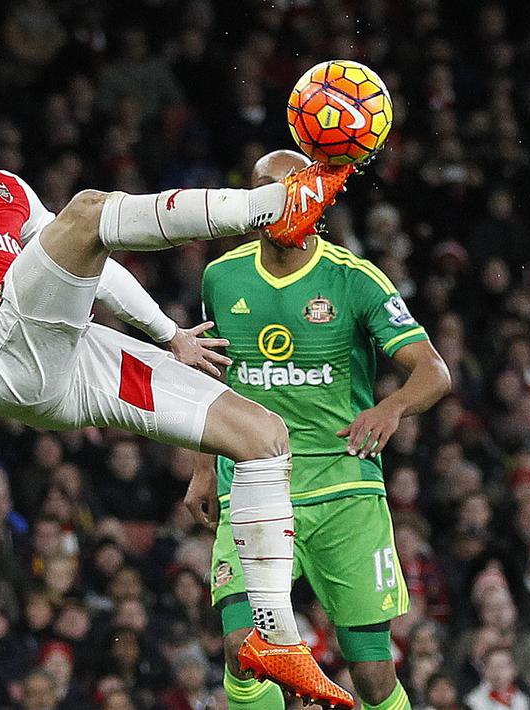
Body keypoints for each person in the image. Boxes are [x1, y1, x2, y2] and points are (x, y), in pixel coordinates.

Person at [0, 40, 353, 706]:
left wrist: (167, 335)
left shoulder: (6, 188)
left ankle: (271, 635)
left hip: (62, 353)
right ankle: (270, 206)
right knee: (85, 211)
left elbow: (93, 263)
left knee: (262, 435)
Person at [186, 150, 452, 710]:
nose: (277, 205)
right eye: (263, 193)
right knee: (242, 647)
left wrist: (391, 408)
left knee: (373, 672)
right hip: (251, 486)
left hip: (343, 492)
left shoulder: (354, 280)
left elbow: (433, 371)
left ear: (316, 198)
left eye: (290, 191)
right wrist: (204, 468)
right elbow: (212, 379)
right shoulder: (221, 276)